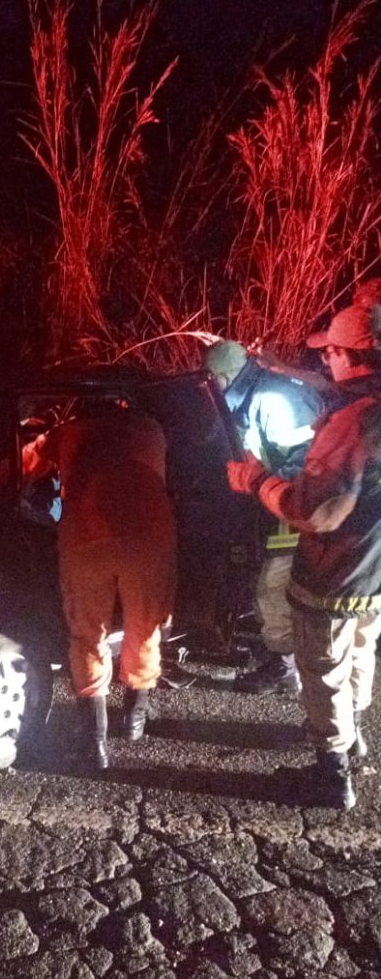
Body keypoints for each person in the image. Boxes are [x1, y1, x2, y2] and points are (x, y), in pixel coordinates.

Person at [227, 304, 381, 811]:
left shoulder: (352, 424)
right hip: (374, 572)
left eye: (330, 354)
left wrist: (257, 482)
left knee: (324, 667)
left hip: (335, 572)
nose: (325, 364)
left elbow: (313, 512)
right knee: (358, 655)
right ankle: (353, 737)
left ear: (346, 354)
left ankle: (331, 774)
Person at [22, 396, 177, 769]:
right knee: (145, 628)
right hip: (150, 534)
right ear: (124, 403)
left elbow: (25, 465)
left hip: (87, 533)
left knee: (87, 633)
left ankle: (95, 744)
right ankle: (135, 721)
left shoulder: (67, 431)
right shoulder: (151, 429)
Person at [204, 339, 324, 694]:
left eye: (212, 381)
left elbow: (302, 463)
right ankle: (283, 660)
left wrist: (261, 486)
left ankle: (286, 670)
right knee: (271, 588)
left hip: (292, 511)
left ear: (224, 376)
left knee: (274, 589)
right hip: (277, 507)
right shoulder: (253, 396)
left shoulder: (271, 400)